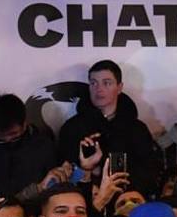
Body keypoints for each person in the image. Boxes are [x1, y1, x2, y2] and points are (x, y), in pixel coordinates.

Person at [56, 60, 162, 198]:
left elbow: (150, 173)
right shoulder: (72, 128)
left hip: (127, 203)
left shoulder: (137, 129)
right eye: (93, 83)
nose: (99, 89)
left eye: (106, 83)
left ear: (119, 87)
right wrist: (88, 172)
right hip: (84, 201)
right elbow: (63, 173)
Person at [0, 93, 59, 199]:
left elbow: (52, 190)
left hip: (34, 211)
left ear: (24, 123)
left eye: (13, 134)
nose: (7, 140)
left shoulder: (43, 146)